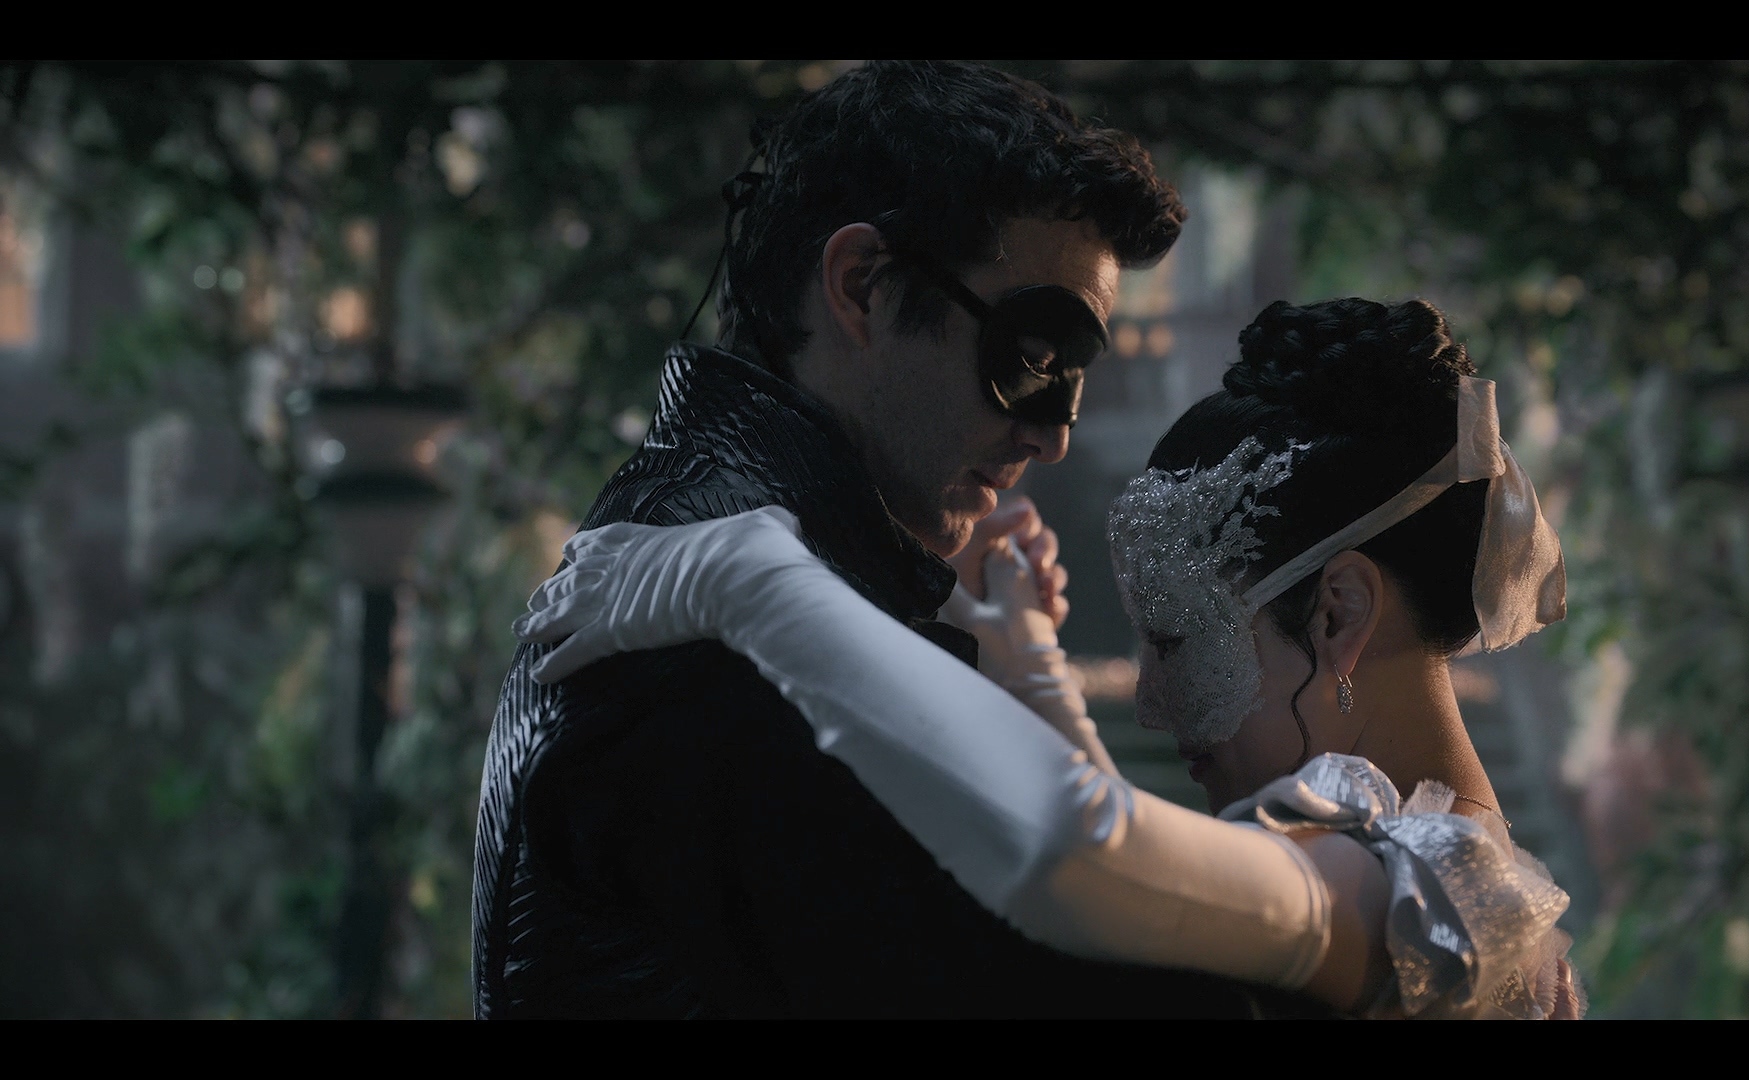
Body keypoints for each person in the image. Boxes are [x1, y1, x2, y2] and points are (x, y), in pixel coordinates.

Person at [471, 60, 1327, 1017]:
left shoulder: (691, 560)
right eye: (1031, 356)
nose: (1052, 436)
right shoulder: (725, 636)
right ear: (863, 286)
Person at [517, 298, 1584, 1018]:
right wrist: (1022, 656)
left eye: (1180, 639)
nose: (1153, 703)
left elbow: (1082, 860)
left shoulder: (1461, 901)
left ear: (1339, 611)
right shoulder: (1414, 875)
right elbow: (1145, 908)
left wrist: (754, 585)